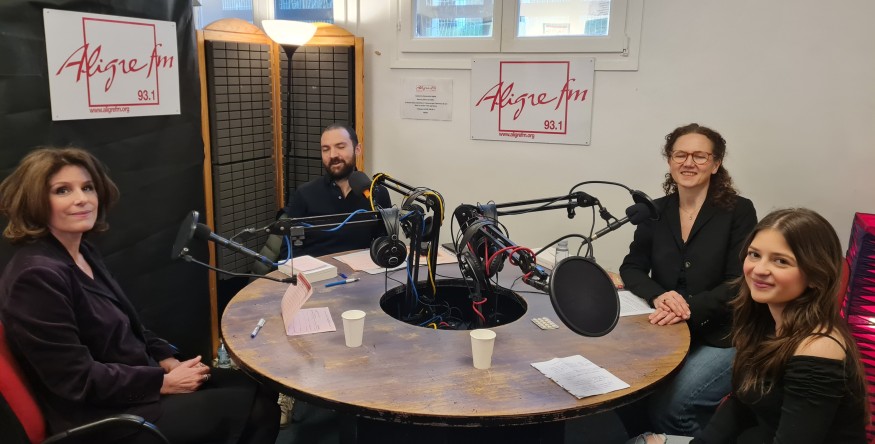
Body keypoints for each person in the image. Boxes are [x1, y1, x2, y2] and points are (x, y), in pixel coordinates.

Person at [0, 147, 280, 443]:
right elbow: (75, 379)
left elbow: (129, 323)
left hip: (134, 382)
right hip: (101, 416)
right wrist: (163, 382)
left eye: (87, 187)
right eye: (62, 190)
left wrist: (165, 357)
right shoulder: (36, 277)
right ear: (34, 200)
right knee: (259, 411)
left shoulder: (82, 251)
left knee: (257, 387)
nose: (81, 199)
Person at [619, 123, 757, 436]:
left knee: (672, 407)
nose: (688, 163)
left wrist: (686, 309)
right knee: (626, 389)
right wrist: (659, 295)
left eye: (699, 156)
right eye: (680, 155)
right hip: (666, 325)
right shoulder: (654, 211)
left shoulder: (739, 210)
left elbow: (739, 281)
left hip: (722, 332)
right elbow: (632, 267)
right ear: (670, 161)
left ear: (716, 164)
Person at [691, 208, 869, 443]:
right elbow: (741, 403)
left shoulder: (818, 348)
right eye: (754, 254)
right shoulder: (765, 321)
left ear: (816, 275)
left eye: (781, 261)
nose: (759, 270)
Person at [251, 123, 391, 275]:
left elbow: (385, 246)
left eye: (340, 147)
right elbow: (289, 254)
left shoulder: (377, 194)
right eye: (326, 149)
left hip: (363, 277)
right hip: (317, 278)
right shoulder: (305, 194)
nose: (333, 155)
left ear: (357, 149)